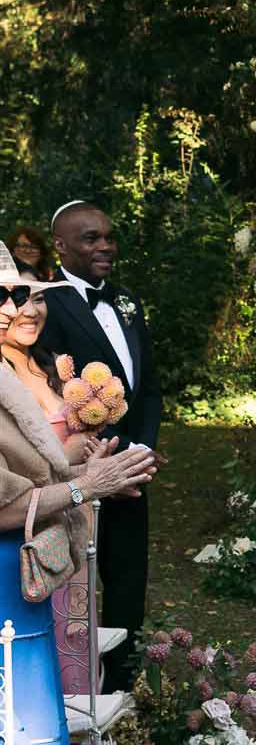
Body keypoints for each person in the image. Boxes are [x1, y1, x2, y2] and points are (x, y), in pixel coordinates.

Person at [0, 246, 156, 745]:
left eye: (25, 293)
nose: (18, 307)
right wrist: (87, 486)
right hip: (7, 574)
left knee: (35, 733)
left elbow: (39, 473)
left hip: (30, 572)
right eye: (4, 296)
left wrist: (88, 468)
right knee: (20, 738)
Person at [39, 201, 163, 689]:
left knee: (129, 582)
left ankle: (123, 690)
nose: (105, 246)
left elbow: (148, 387)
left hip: (132, 473)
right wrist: (101, 457)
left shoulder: (128, 301)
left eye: (109, 236)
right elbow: (45, 390)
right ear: (61, 246)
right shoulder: (45, 304)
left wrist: (141, 453)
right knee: (76, 586)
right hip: (78, 473)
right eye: (90, 238)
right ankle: (74, 687)